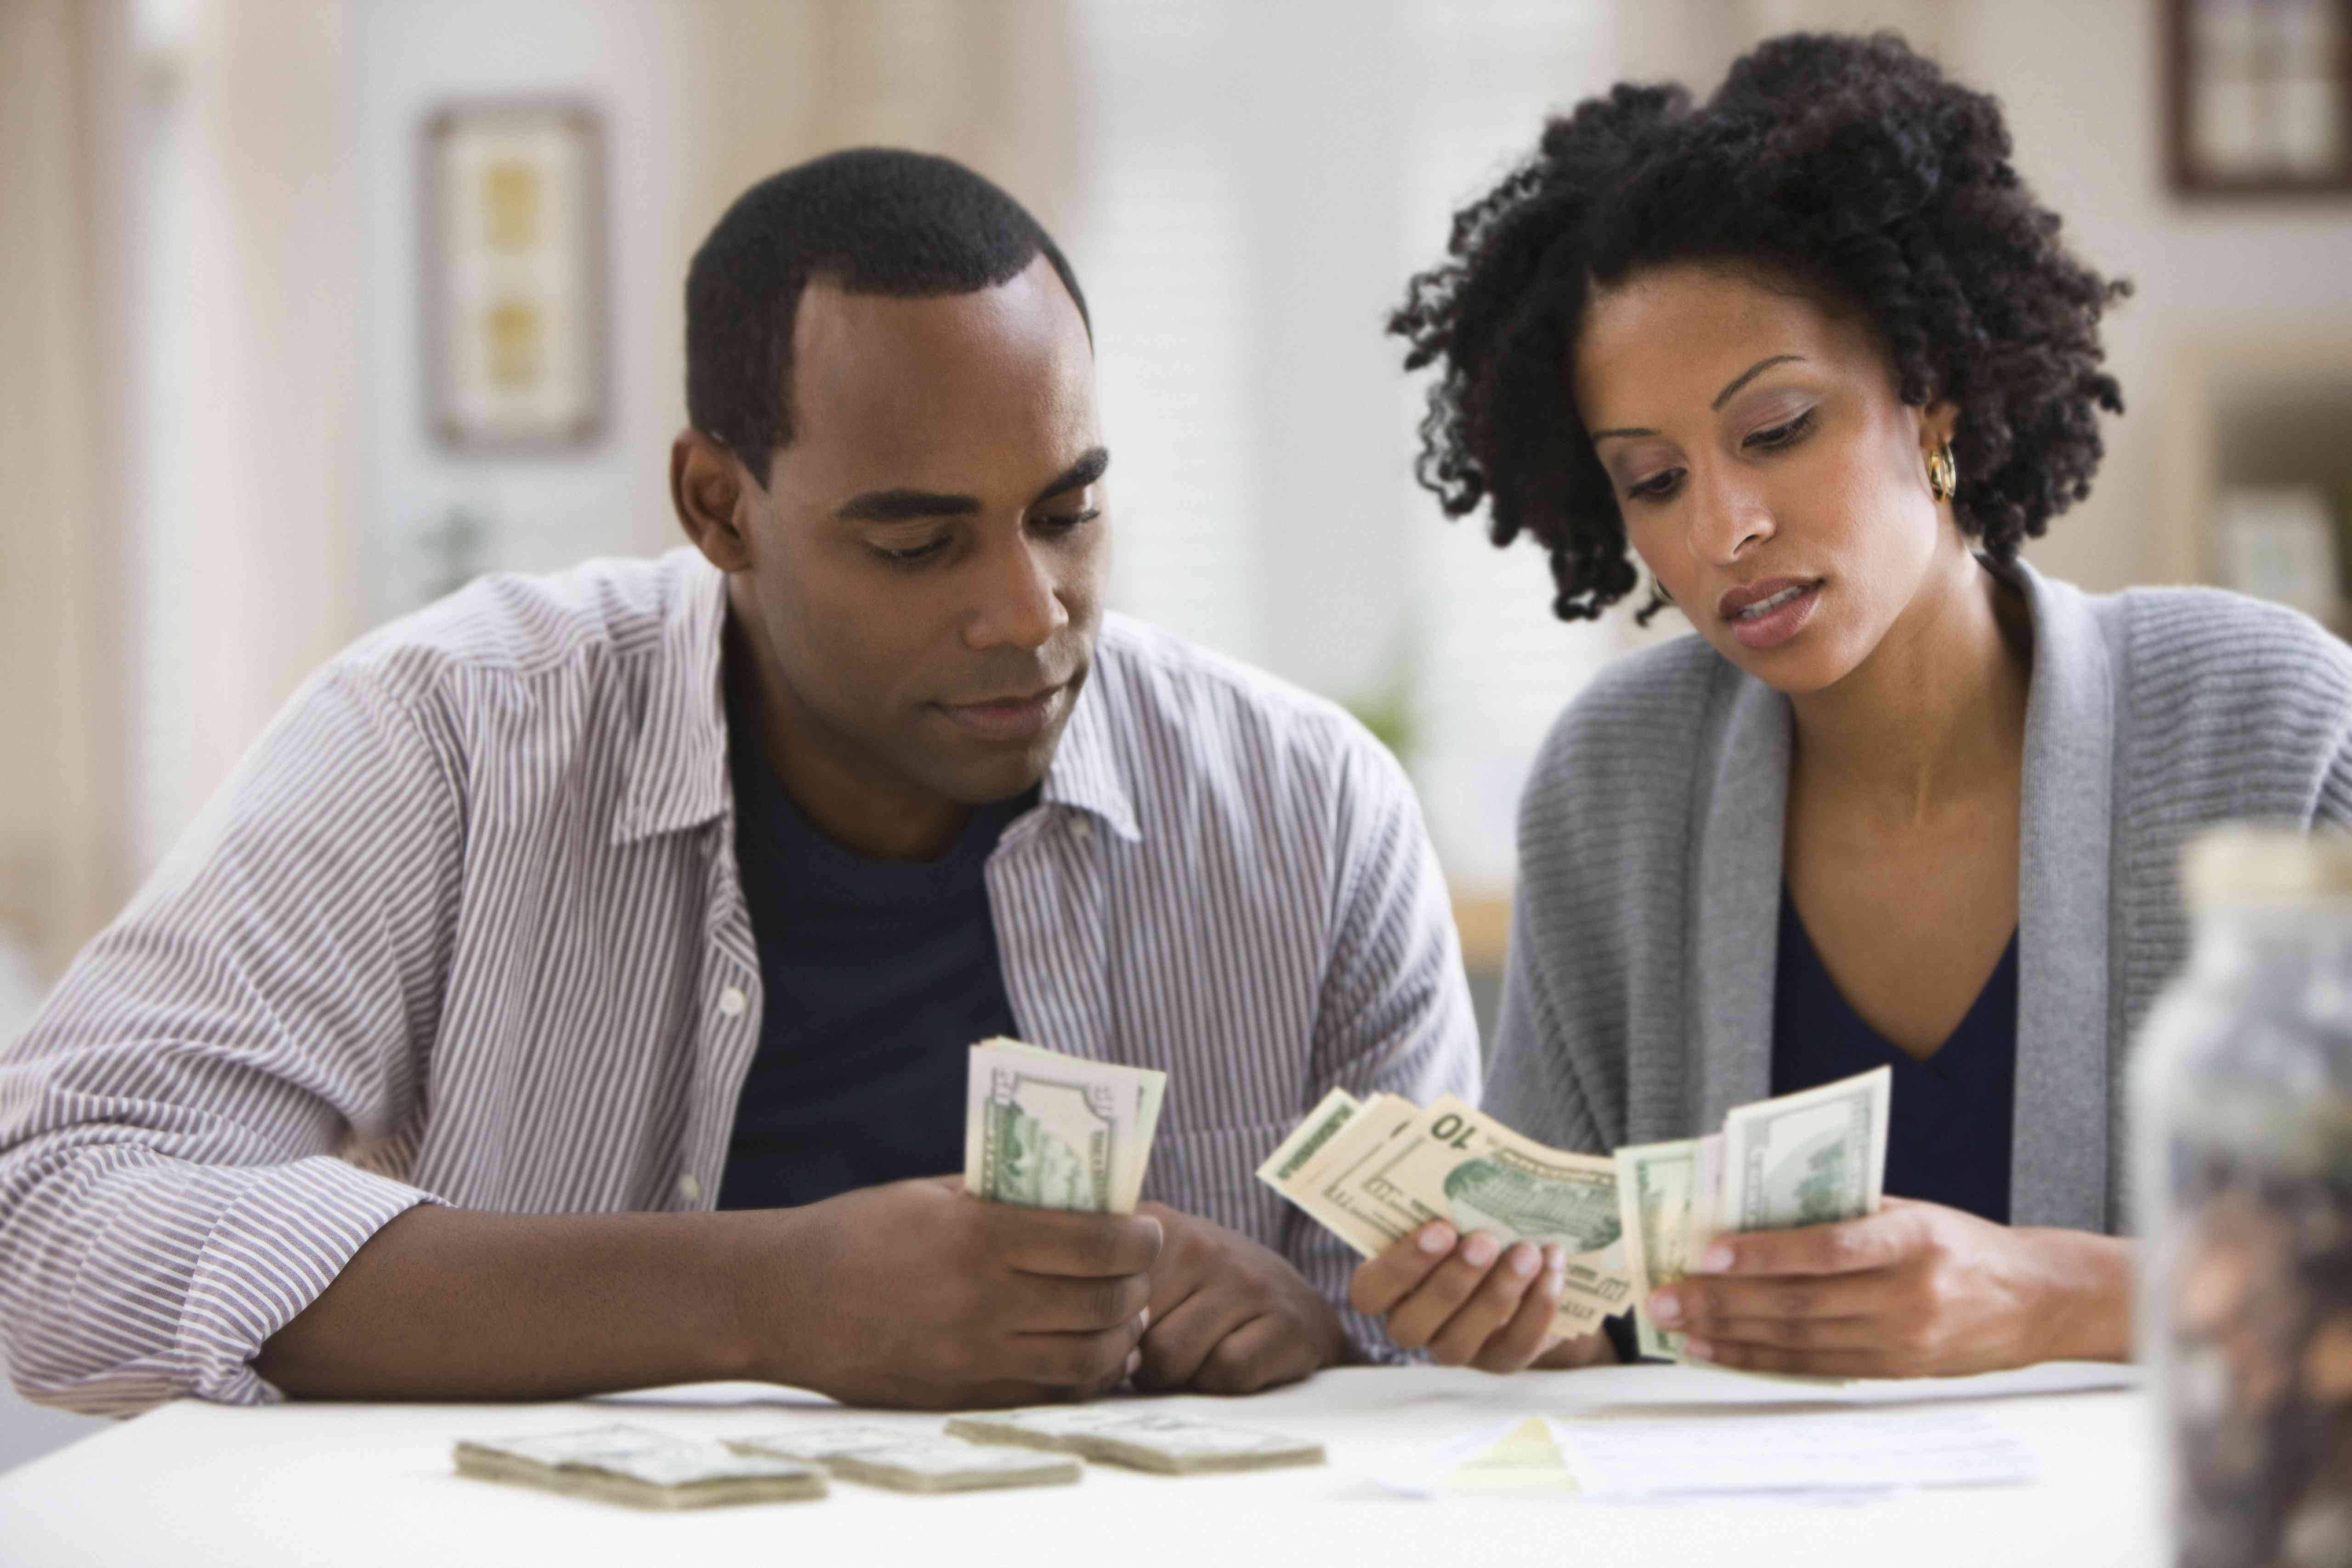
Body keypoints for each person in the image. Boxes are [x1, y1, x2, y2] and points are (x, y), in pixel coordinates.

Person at [0, 150, 1478, 1415]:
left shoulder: (1311, 812)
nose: (1029, 612)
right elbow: (53, 1217)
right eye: (918, 542)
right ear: (719, 506)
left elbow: (1450, 1372)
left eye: (1067, 511)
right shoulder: (449, 737)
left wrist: (1320, 1339)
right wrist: (761, 1299)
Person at [1349, 32, 2352, 1379]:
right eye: (1651, 481)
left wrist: (2056, 1295)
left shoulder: (2268, 726)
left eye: (1776, 430)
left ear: (1927, 389)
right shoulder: (1616, 785)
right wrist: (1538, 1325)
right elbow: (1594, 1337)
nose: (1724, 529)